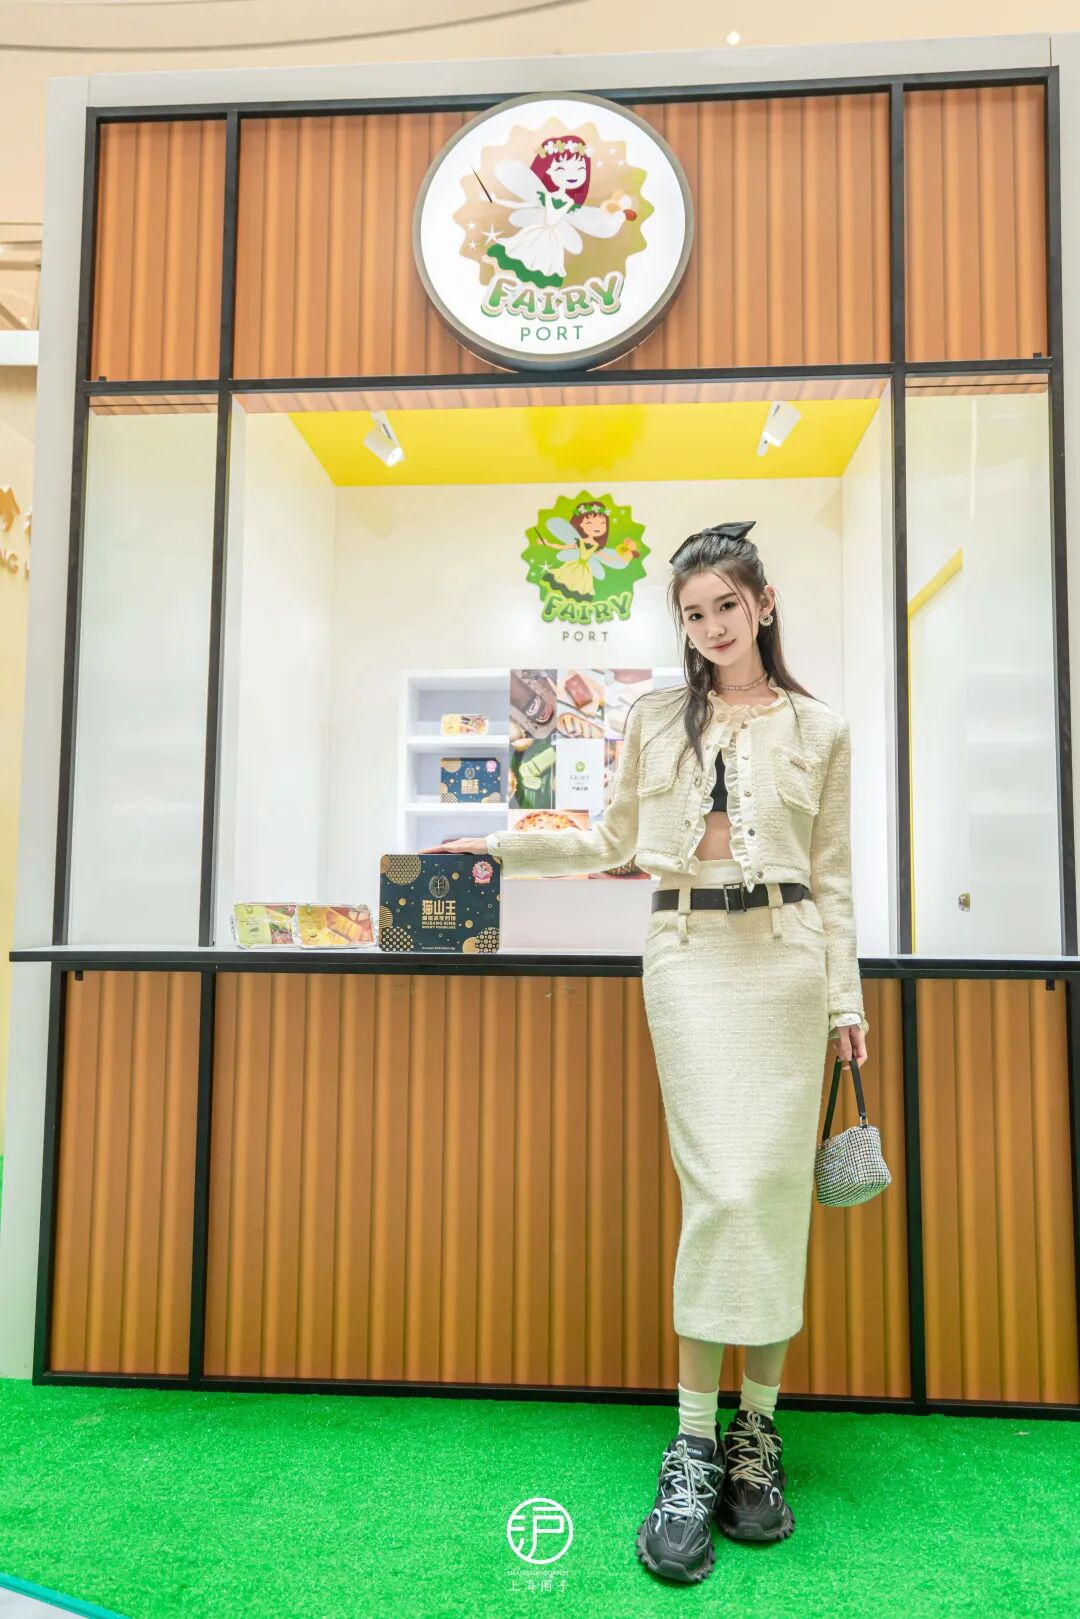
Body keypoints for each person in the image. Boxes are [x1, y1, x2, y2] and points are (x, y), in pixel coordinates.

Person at [424, 521, 869, 1585]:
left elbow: (835, 875)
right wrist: (496, 847)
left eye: (725, 606)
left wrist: (844, 997)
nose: (710, 627)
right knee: (721, 1190)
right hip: (687, 960)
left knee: (770, 1195)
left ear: (763, 604)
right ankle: (694, 1442)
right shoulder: (655, 717)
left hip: (788, 963)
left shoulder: (822, 727)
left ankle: (757, 1436)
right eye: (692, 613)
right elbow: (612, 837)